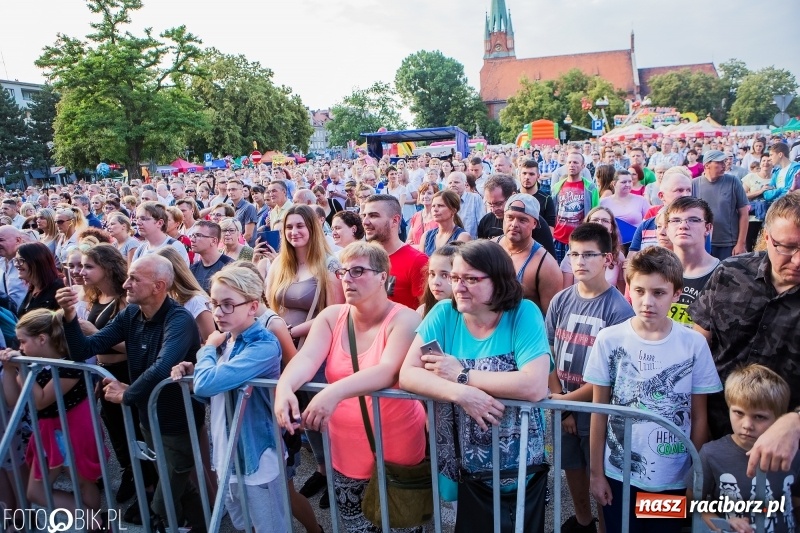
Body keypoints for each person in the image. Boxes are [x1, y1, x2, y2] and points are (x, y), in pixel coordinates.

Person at [275, 242, 427, 533]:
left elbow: (387, 370)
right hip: (345, 446)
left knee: (401, 524)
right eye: (344, 271)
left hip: (398, 445)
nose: (347, 278)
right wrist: (285, 388)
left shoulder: (406, 318)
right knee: (355, 525)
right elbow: (306, 358)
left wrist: (332, 391)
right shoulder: (332, 316)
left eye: (358, 271)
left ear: (383, 276)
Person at [399, 240, 552, 529]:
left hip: (516, 464)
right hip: (459, 463)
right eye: (455, 277)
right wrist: (463, 394)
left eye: (471, 279)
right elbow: (408, 373)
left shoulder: (523, 313)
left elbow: (533, 384)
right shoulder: (444, 313)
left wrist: (462, 373)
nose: (458, 286)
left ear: (498, 280)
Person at [56, 254, 207, 531]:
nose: (126, 284)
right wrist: (68, 318)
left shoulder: (179, 319)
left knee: (168, 489)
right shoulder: (131, 314)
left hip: (176, 420)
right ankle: (202, 525)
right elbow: (85, 349)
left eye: (135, 279)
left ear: (158, 286)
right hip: (147, 418)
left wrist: (127, 394)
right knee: (176, 482)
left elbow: (164, 367)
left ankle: (164, 520)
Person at [584, 246, 722, 533]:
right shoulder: (609, 340)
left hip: (673, 477)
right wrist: (596, 473)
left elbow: (699, 417)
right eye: (640, 290)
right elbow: (599, 413)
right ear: (628, 288)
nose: (648, 301)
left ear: (676, 293)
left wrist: (693, 476)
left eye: (658, 292)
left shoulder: (693, 344)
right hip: (618, 474)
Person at [171, 267, 290, 533]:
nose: (218, 312)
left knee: (269, 528)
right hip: (227, 455)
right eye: (214, 303)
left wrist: (207, 351)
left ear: (252, 306)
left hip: (256, 458)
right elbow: (210, 383)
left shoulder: (263, 345)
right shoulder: (227, 340)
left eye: (228, 305)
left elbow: (207, 385)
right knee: (243, 525)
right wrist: (193, 371)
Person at [546, 223, 635, 533]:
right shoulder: (560, 300)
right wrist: (563, 405)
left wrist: (567, 403)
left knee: (600, 477)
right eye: (574, 254)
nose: (580, 262)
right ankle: (583, 522)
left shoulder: (618, 310)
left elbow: (609, 376)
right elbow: (548, 354)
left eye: (588, 255)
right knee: (572, 469)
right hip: (564, 406)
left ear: (608, 259)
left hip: (596, 411)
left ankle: (603, 527)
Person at [689, 192, 800, 439]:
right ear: (768, 238)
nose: (798, 260)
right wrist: (699, 421)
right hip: (714, 427)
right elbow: (697, 347)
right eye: (788, 247)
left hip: (785, 441)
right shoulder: (731, 272)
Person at [266, 204, 343, 508]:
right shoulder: (279, 265)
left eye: (300, 226)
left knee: (322, 416)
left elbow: (335, 313)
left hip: (316, 352)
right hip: (284, 352)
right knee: (301, 416)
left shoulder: (329, 264)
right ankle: (322, 471)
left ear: (312, 228)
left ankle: (339, 474)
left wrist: (292, 332)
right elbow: (270, 305)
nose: (294, 232)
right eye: (289, 227)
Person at [0, 309, 106, 530]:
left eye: (22, 342)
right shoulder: (33, 362)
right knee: (35, 492)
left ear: (41, 339)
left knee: (83, 483)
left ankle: (95, 524)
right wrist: (10, 371)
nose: (20, 348)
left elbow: (40, 400)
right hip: (48, 431)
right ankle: (96, 521)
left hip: (74, 430)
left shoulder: (70, 364)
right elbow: (13, 400)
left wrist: (21, 368)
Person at [689, 365, 800, 533]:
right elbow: (692, 501)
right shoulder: (711, 453)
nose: (747, 425)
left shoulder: (792, 453)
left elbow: (796, 501)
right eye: (739, 413)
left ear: (779, 418)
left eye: (759, 417)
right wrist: (720, 522)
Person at [493, 193, 561, 314]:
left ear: (534, 224)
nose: (514, 224)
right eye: (510, 217)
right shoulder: (490, 248)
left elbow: (551, 320)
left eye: (522, 220)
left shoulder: (546, 266)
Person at [361, 195, 428, 311]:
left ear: (395, 220)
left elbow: (426, 310)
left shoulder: (417, 261)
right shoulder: (361, 258)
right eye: (364, 215)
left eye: (373, 216)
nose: (365, 222)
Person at [663, 197, 720, 329]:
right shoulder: (656, 270)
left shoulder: (722, 274)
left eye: (693, 220)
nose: (683, 225)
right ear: (666, 228)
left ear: (708, 228)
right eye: (676, 220)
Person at [691, 150, 749, 260]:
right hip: (703, 243)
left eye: (725, 161)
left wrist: (741, 243)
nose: (724, 165)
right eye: (719, 162)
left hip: (729, 243)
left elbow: (744, 213)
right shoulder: (694, 184)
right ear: (707, 165)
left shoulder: (733, 181)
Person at [629, 168, 694, 255]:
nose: (686, 195)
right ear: (661, 195)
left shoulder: (698, 225)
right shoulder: (645, 226)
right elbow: (630, 262)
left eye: (688, 190)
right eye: (679, 190)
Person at [552, 152, 600, 263]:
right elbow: (553, 213)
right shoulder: (557, 187)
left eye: (575, 162)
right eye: (569, 162)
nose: (571, 165)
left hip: (580, 240)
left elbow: (595, 212)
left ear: (583, 166)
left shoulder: (591, 188)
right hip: (559, 238)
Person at [14, 242, 65, 318]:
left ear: (37, 261)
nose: (16, 264)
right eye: (15, 260)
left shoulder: (58, 288)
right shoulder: (33, 288)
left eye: (21, 260)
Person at [419, 190, 471, 256]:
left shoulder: (462, 236)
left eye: (440, 206)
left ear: (453, 210)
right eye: (433, 206)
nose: (435, 209)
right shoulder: (426, 236)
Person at [189, 220, 234, 293]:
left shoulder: (229, 267)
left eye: (198, 235)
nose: (192, 240)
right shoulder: (193, 269)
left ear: (214, 241)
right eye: (192, 235)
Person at [417, 243, 459, 317]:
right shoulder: (423, 310)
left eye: (444, 275)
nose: (436, 282)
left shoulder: (468, 316)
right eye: (432, 274)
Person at [446, 172, 484, 239]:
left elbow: (481, 223)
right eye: (450, 183)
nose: (452, 185)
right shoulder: (445, 201)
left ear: (465, 184)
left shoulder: (475, 198)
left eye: (456, 182)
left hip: (470, 244)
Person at [518, 160, 556, 227]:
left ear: (538, 176)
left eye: (531, 174)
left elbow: (550, 226)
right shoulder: (512, 196)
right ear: (519, 175)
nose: (527, 177)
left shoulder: (546, 199)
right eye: (524, 173)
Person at [0, 226, 28, 315]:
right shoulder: (1, 261)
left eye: (1, 240)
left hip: (24, 319)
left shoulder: (29, 263)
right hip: (7, 319)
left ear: (18, 240)